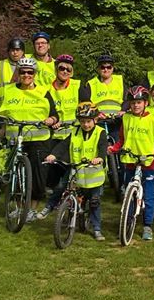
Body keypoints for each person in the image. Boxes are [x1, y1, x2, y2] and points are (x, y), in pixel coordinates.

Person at [0, 57, 59, 222]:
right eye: (22, 72)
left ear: (34, 74)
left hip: (38, 138)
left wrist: (50, 121)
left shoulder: (44, 91)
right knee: (14, 173)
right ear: (18, 73)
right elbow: (3, 113)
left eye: (29, 72)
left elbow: (54, 115)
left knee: (37, 174)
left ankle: (31, 209)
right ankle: (18, 207)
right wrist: (2, 128)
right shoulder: (9, 90)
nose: (26, 75)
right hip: (15, 138)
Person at [107, 86, 154, 241]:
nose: (136, 105)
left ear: (145, 103)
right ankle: (127, 221)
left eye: (139, 102)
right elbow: (122, 139)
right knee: (128, 194)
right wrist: (115, 148)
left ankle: (147, 225)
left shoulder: (152, 118)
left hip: (147, 162)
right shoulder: (126, 118)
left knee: (149, 195)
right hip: (130, 161)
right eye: (133, 103)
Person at [42, 102, 109, 241]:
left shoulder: (100, 133)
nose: (86, 125)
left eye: (89, 121)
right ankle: (49, 206)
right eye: (83, 121)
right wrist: (54, 155)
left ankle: (97, 229)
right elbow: (63, 145)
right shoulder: (75, 132)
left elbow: (103, 147)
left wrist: (100, 158)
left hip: (93, 173)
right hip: (76, 170)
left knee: (94, 202)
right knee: (61, 186)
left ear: (95, 120)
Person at [37, 54, 82, 220]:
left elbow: (85, 105)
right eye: (61, 68)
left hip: (73, 132)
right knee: (51, 167)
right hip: (53, 133)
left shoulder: (77, 86)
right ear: (56, 69)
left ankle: (64, 201)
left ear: (72, 71)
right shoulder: (46, 88)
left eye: (68, 69)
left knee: (69, 171)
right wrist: (51, 119)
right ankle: (54, 198)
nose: (64, 71)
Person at [81, 53, 125, 141]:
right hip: (100, 120)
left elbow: (127, 99)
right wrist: (96, 113)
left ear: (113, 68)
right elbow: (86, 102)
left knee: (118, 144)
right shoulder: (91, 83)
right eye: (102, 67)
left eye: (109, 67)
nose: (106, 69)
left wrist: (123, 110)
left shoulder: (120, 80)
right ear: (98, 69)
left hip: (117, 120)